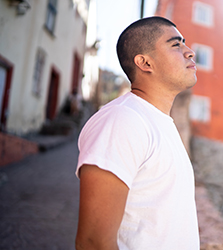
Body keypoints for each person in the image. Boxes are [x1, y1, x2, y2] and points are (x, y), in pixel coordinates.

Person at [75, 16, 199, 250]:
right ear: (145, 63)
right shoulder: (122, 120)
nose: (190, 51)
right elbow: (93, 242)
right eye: (176, 44)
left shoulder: (159, 122)